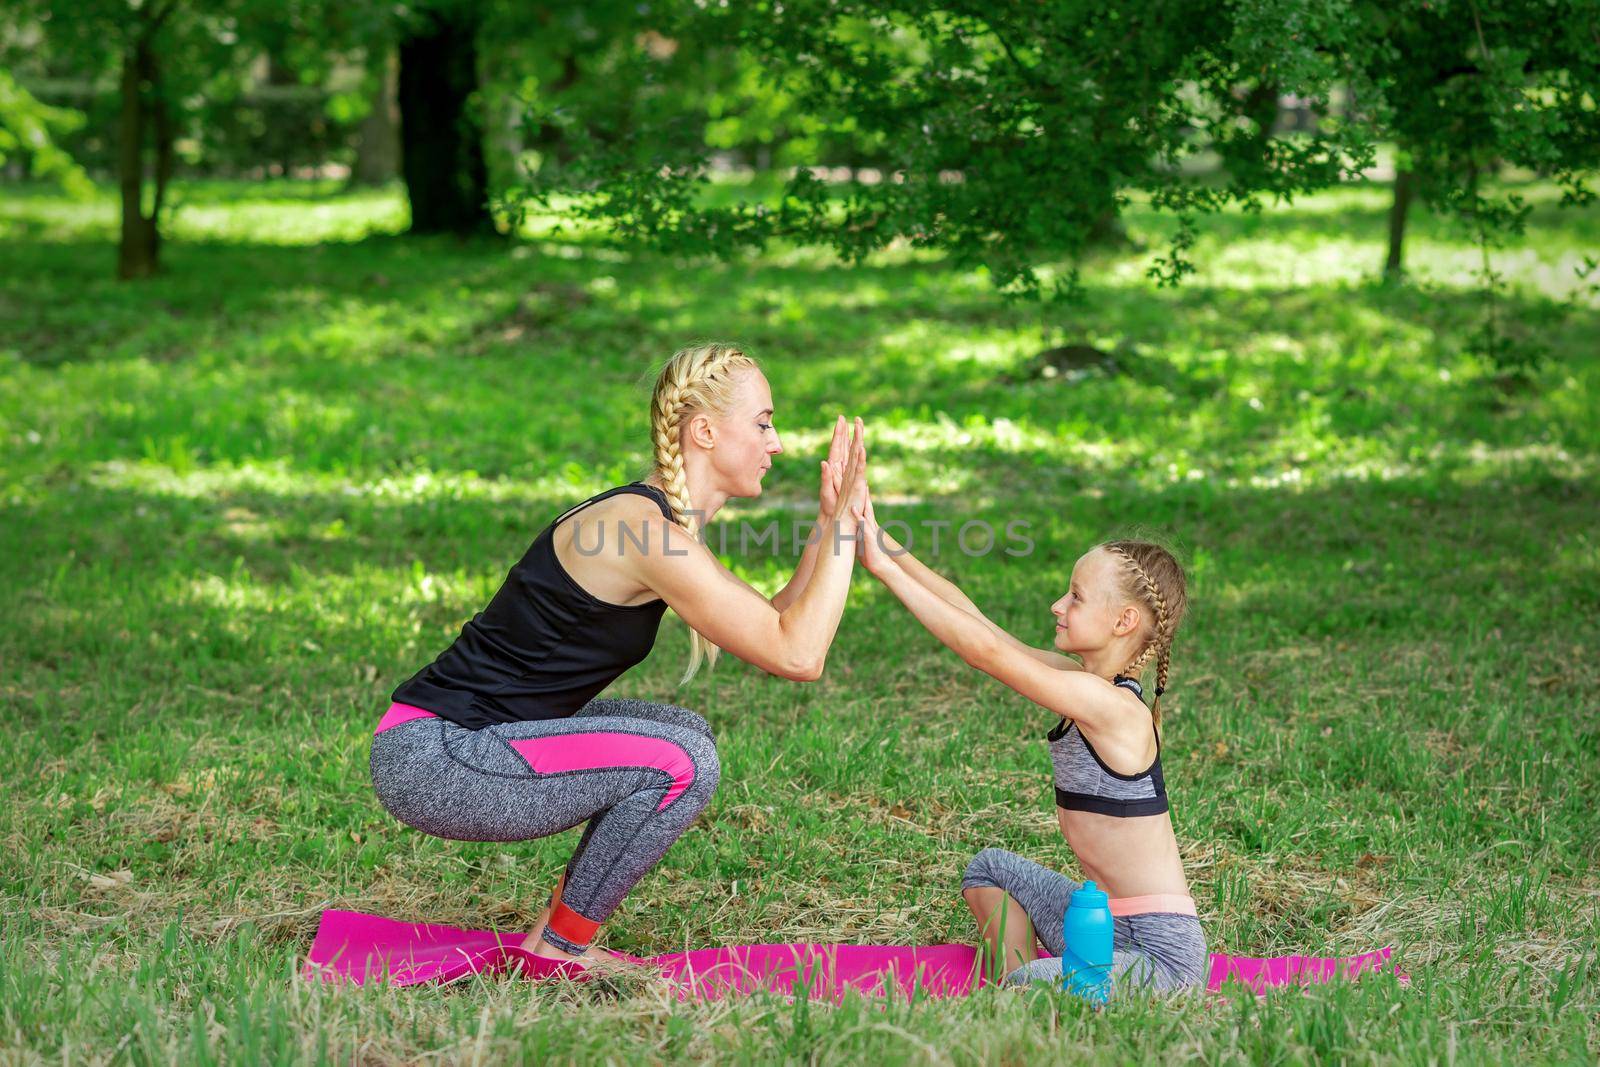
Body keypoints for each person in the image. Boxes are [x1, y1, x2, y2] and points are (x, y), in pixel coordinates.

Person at [369, 342, 869, 971]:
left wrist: (828, 525)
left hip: (459, 745)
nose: (778, 443)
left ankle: (551, 934)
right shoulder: (644, 533)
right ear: (706, 431)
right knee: (682, 760)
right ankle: (558, 952)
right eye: (764, 423)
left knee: (682, 733)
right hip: (437, 759)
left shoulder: (654, 523)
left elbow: (774, 628)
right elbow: (800, 656)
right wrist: (848, 527)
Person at [853, 495, 1206, 993]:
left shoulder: (1114, 710)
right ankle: (1013, 979)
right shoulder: (1082, 683)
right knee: (990, 869)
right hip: (1095, 924)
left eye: (1076, 597)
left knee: (1034, 986)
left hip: (1158, 953)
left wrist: (883, 573)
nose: (1057, 605)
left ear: (1124, 621)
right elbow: (981, 626)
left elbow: (986, 653)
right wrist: (879, 539)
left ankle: (1024, 986)